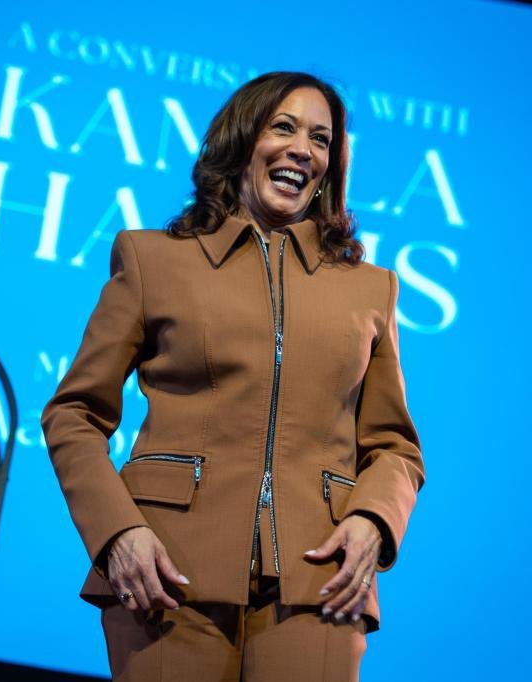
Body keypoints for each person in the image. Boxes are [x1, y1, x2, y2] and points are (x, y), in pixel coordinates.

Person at [41, 71, 425, 681]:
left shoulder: (370, 289)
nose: (303, 149)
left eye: (321, 139)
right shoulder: (153, 259)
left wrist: (373, 519)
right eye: (284, 127)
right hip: (167, 573)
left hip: (320, 583)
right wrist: (117, 533)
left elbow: (395, 447)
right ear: (242, 138)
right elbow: (73, 415)